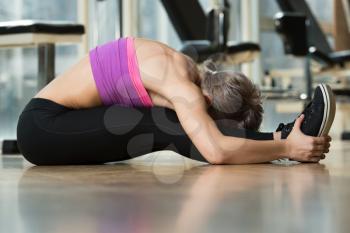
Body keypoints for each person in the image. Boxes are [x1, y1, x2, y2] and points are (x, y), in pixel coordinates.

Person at [16, 37, 334, 165]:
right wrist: (286, 149)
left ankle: (284, 134)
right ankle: (286, 139)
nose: (206, 123)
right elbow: (216, 151)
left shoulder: (180, 65)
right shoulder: (183, 87)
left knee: (165, 120)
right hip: (43, 130)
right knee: (164, 125)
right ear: (207, 97)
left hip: (55, 123)